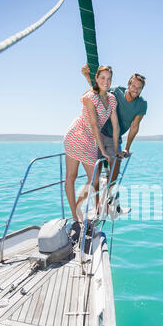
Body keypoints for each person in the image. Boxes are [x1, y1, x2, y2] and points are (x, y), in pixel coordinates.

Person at [63, 65, 120, 231]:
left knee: (94, 180)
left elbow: (115, 126)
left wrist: (116, 149)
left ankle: (83, 208)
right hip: (76, 136)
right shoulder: (90, 97)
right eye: (102, 78)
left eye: (109, 78)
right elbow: (94, 125)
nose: (106, 81)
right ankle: (75, 216)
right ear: (96, 79)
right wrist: (102, 150)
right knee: (71, 176)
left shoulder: (112, 99)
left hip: (89, 141)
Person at [81, 64, 147, 190]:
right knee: (97, 169)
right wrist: (86, 76)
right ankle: (96, 203)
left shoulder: (142, 104)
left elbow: (134, 127)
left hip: (115, 139)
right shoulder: (116, 91)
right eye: (133, 85)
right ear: (128, 84)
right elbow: (98, 91)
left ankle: (109, 197)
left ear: (141, 90)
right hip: (99, 133)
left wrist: (127, 149)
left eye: (139, 88)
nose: (135, 89)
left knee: (116, 168)